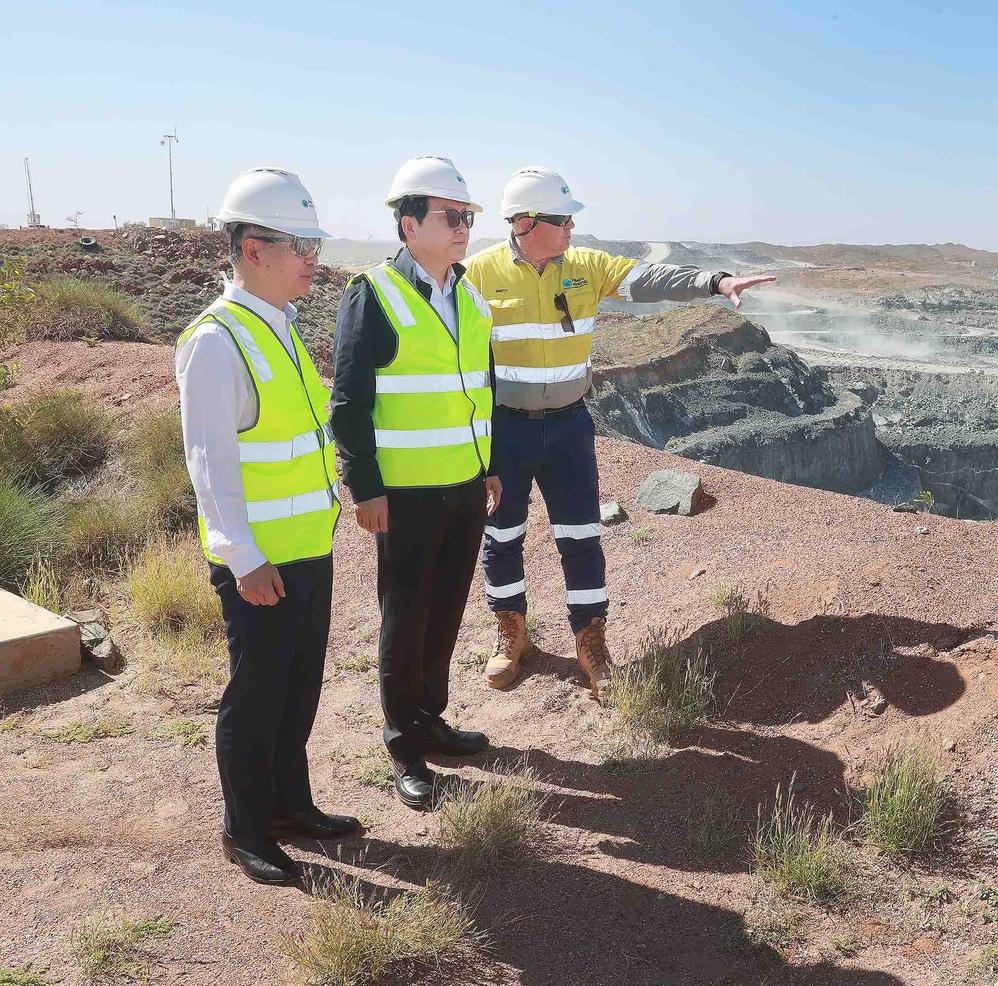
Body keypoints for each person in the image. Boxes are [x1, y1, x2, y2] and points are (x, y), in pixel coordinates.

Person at [465, 167, 774, 696]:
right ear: (525, 222)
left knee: (581, 536)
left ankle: (591, 644)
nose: (570, 229)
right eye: (562, 220)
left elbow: (648, 278)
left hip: (568, 429)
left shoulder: (586, 266)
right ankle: (511, 636)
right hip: (503, 433)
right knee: (503, 536)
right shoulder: (476, 274)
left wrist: (715, 282)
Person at [176, 168, 359, 886]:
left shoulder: (276, 324)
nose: (313, 256)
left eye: (313, 242)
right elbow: (210, 465)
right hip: (260, 564)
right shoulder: (216, 341)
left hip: (307, 548)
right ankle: (246, 830)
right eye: (301, 244)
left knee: (298, 688)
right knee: (256, 698)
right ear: (254, 247)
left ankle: (291, 807)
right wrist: (243, 557)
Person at [329, 157, 500, 811]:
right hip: (403, 495)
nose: (463, 227)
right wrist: (364, 486)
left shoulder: (471, 296)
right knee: (405, 620)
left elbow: (482, 392)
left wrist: (491, 463)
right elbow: (348, 402)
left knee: (446, 611)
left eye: (467, 217)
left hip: (463, 488)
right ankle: (405, 745)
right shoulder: (373, 293)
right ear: (409, 224)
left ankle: (431, 719)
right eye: (451, 216)